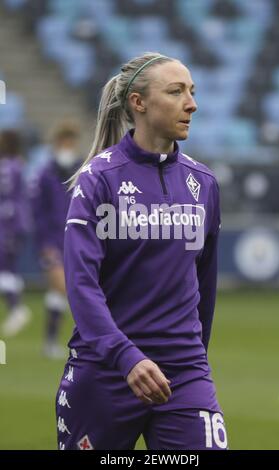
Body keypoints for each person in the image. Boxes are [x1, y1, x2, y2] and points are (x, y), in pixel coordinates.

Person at [56, 52, 228, 450]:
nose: (192, 103)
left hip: (183, 375)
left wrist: (194, 361)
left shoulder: (204, 184)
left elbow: (206, 283)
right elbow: (81, 284)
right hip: (104, 372)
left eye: (192, 91)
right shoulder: (98, 180)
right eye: (176, 91)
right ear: (139, 104)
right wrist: (125, 356)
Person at [31, 121, 82, 359]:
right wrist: (44, 245)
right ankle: (78, 336)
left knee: (58, 293)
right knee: (63, 288)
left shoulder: (83, 171)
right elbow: (38, 212)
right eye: (63, 142)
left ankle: (52, 340)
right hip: (53, 240)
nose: (67, 146)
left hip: (78, 241)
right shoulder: (45, 174)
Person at [0, 129, 31, 336]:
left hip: (8, 222)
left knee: (4, 267)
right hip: (16, 222)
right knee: (10, 268)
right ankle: (16, 307)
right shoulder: (18, 164)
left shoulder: (8, 167)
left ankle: (17, 308)